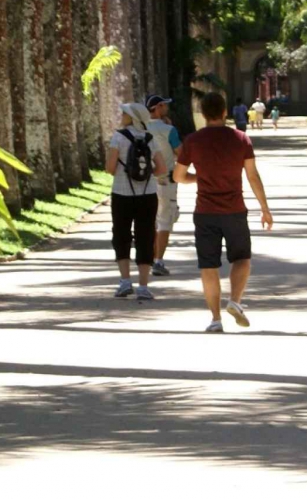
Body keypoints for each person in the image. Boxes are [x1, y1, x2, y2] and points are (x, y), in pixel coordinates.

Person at [173, 90, 274, 333]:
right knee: (242, 259)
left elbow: (178, 176)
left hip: (205, 211)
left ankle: (216, 319)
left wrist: (201, 177)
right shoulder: (240, 139)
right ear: (224, 111)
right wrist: (265, 208)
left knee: (209, 266)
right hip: (234, 210)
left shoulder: (193, 141)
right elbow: (252, 176)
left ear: (204, 114)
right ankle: (235, 301)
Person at [106, 102, 167, 300]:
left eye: (125, 113)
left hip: (122, 194)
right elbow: (161, 168)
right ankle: (143, 285)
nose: (122, 115)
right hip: (147, 195)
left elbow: (110, 167)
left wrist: (126, 173)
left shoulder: (118, 137)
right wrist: (145, 174)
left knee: (121, 235)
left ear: (132, 117)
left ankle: (125, 281)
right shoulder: (150, 139)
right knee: (146, 236)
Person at [145, 94, 182, 277]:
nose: (166, 108)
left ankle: (151, 256)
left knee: (153, 220)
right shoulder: (169, 130)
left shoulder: (140, 128)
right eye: (164, 105)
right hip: (166, 180)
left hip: (144, 182)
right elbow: (180, 154)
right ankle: (158, 261)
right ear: (158, 107)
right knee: (165, 220)